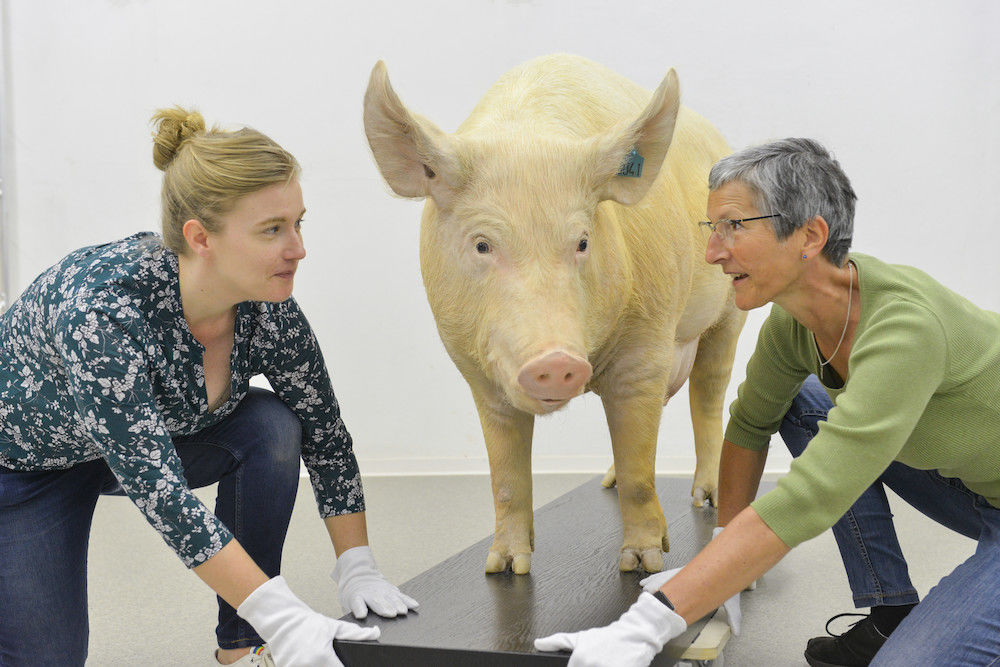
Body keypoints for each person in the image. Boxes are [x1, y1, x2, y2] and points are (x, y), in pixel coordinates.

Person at [534, 138, 1000, 666]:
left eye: (734, 226)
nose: (713, 252)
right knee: (804, 402)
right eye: (713, 230)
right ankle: (889, 614)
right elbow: (750, 424)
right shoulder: (795, 323)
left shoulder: (906, 329)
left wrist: (648, 623)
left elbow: (813, 496)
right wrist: (724, 564)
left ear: (810, 235)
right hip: (976, 486)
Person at [0, 107, 418, 667]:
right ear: (201, 238)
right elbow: (163, 495)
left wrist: (357, 565)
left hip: (140, 445)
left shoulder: (267, 309)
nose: (298, 248)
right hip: (26, 468)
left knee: (271, 424)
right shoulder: (104, 312)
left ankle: (243, 645)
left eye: (299, 223)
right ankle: (269, 621)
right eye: (273, 229)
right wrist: (287, 614)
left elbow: (326, 435)